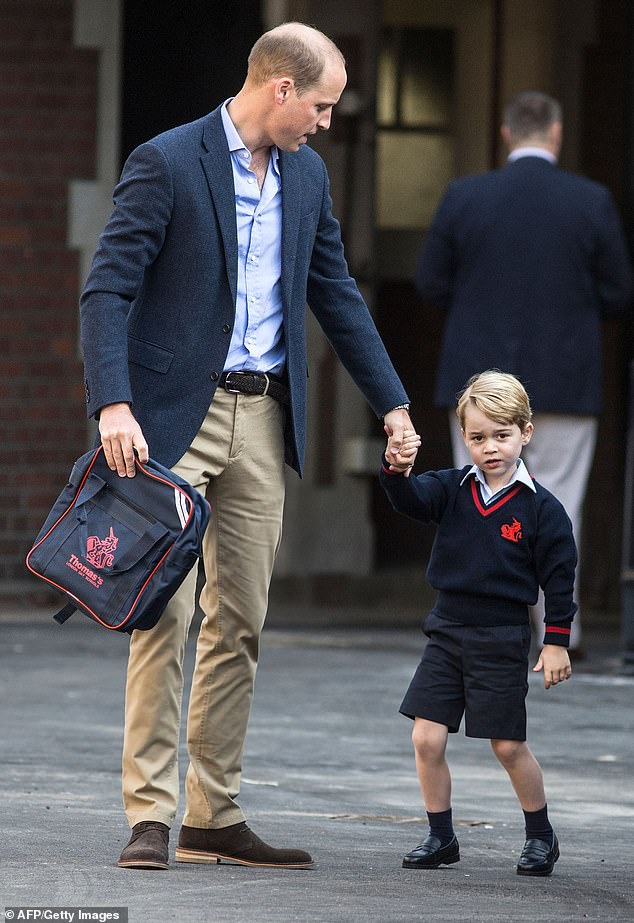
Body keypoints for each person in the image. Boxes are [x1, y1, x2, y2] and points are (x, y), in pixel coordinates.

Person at [80, 22, 413, 871]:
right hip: (169, 418)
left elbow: (335, 293)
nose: (330, 123)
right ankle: (150, 814)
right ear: (281, 90)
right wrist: (113, 403)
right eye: (325, 107)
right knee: (164, 609)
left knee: (243, 621)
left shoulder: (306, 176)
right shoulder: (166, 160)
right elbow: (109, 286)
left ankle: (212, 812)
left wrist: (395, 405)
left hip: (263, 418)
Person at [414, 90, 632, 656]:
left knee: (479, 502)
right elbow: (618, 292)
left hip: (480, 390)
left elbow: (431, 283)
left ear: (507, 134)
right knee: (559, 505)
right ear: (555, 134)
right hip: (564, 378)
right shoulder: (591, 200)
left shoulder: (465, 196)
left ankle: (483, 625)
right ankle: (562, 633)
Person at [380, 370, 576, 876]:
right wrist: (396, 470)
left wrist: (555, 643)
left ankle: (540, 836)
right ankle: (441, 836)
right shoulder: (451, 487)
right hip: (447, 631)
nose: (490, 447)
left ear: (526, 433)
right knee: (426, 738)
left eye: (502, 435)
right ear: (463, 436)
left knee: (507, 745)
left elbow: (559, 581)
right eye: (478, 437)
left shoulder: (543, 510)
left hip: (503, 636)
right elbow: (410, 501)